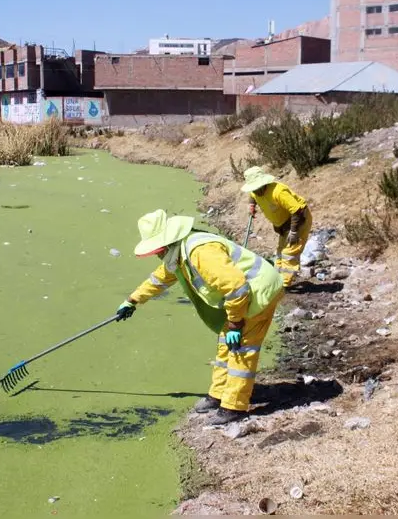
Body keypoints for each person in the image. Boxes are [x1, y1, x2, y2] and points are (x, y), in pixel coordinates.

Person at [115, 209, 284, 426]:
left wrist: (235, 323)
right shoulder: (179, 252)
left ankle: (233, 406)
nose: (157, 255)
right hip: (244, 296)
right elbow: (160, 278)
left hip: (259, 293)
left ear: (167, 243)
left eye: (158, 250)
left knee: (241, 349)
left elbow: (236, 288)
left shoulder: (201, 252)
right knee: (225, 344)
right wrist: (132, 301)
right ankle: (217, 395)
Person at [240, 166, 313, 289]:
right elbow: (252, 195)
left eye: (256, 188)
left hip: (299, 220)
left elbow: (297, 210)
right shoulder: (255, 191)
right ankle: (276, 278)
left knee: (289, 253)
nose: (255, 191)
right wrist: (251, 205)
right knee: (280, 252)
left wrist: (294, 231)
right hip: (283, 225)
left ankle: (284, 285)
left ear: (263, 184)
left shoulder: (278, 191)